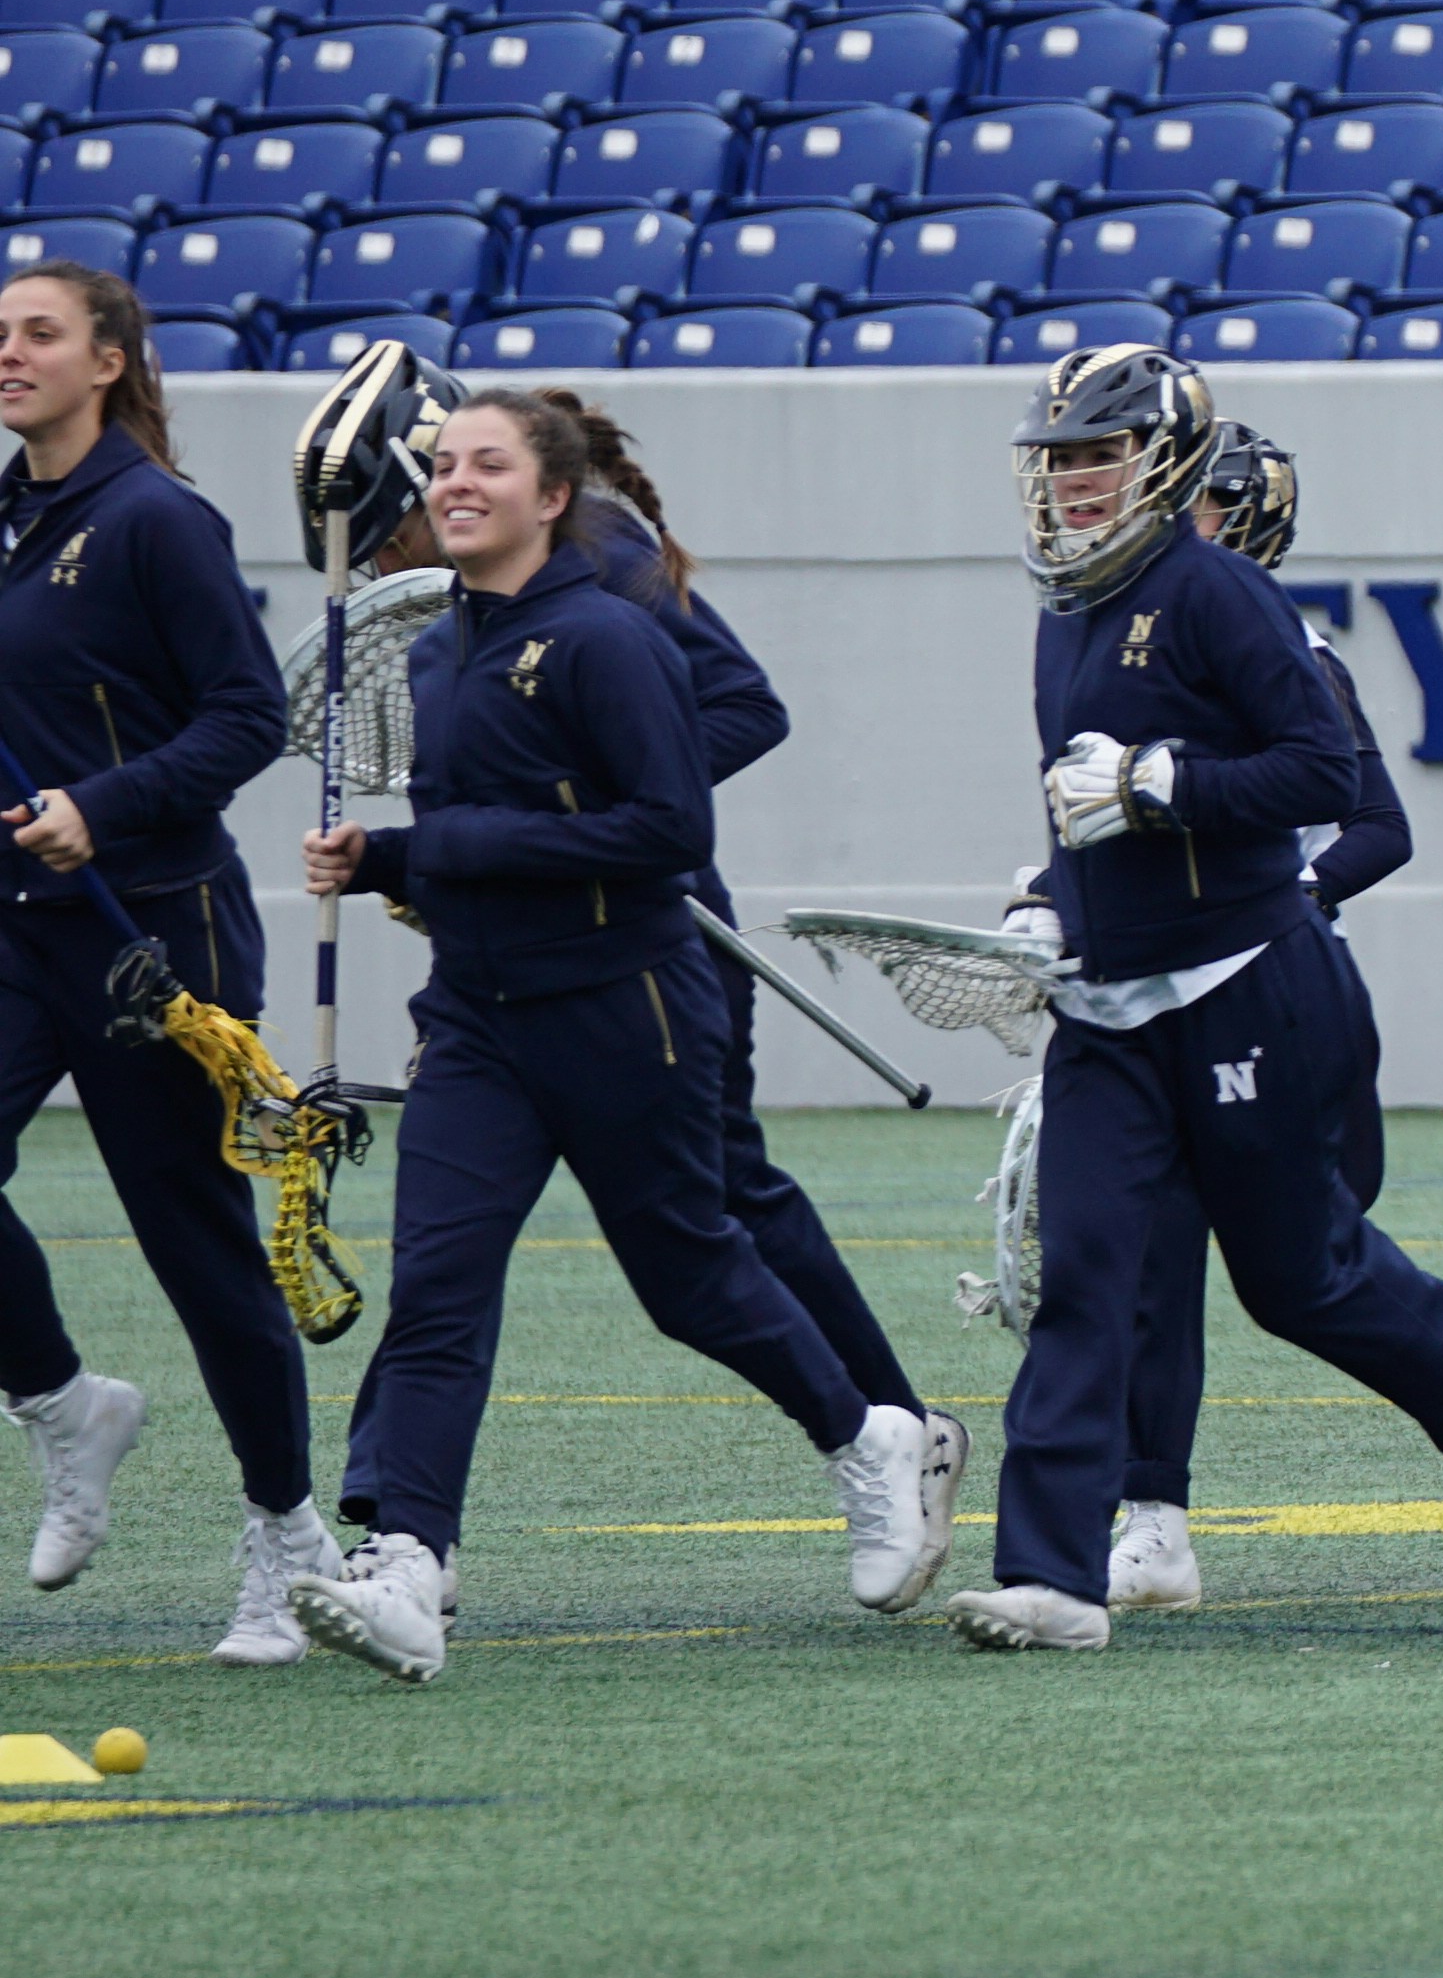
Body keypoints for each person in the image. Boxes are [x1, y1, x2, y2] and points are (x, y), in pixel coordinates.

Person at [278, 391, 964, 1682]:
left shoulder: (608, 637)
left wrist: (444, 848)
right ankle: (410, 1563)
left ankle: (866, 1438)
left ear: (553, 497)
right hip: (480, 1017)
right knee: (437, 1284)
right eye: (445, 467)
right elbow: (469, 838)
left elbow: (667, 834)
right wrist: (389, 864)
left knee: (690, 1272)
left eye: (490, 465)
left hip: (626, 1001)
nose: (457, 484)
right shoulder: (437, 654)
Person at [933, 346, 1443, 1651]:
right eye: (1056, 461)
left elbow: (1325, 776)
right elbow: (1076, 806)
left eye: (1097, 457)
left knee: (1301, 1279)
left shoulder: (1218, 594)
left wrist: (1167, 785)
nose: (1072, 484)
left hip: (1246, 985)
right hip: (1109, 1008)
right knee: (1089, 1275)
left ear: (1162, 462)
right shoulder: (1063, 614)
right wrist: (1048, 901)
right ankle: (1057, 1573)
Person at [515, 390, 936, 1511]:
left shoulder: (595, 545)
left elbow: (745, 708)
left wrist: (605, 802)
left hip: (660, 936)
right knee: (449, 1243)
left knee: (724, 1197)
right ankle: (402, 1528)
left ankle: (895, 1427)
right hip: (516, 956)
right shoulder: (450, 580)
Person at [0, 270, 319, 1661]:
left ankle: (287, 1536)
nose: (8, 353)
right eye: (2, 335)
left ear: (109, 363)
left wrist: (101, 806)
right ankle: (67, 1405)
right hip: (15, 924)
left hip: (154, 942)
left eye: (37, 334)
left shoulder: (157, 520)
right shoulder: (8, 517)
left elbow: (252, 715)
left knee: (199, 1250)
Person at [1093, 419, 1412, 1615]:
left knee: (1318, 1263)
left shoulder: (1284, 647)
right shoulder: (1118, 632)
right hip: (1155, 990)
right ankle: (1152, 1516)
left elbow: (1377, 822)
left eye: (1206, 504)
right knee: (1153, 1260)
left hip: (1273, 992)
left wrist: (1291, 894)